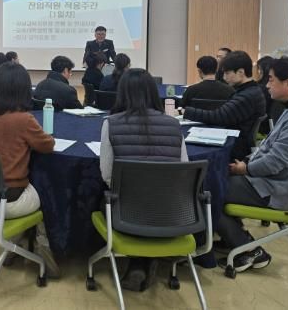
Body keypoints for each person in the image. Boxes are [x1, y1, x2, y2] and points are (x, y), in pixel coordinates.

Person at [216, 57, 288, 274]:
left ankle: (249, 249)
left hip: (275, 188)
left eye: (271, 80)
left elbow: (275, 163)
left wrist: (246, 168)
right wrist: (248, 162)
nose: (267, 85)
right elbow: (269, 148)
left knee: (209, 189)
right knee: (215, 180)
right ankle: (235, 238)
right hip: (273, 181)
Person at [99, 68, 187, 291]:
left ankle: (139, 261)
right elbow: (183, 172)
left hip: (125, 215)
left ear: (122, 93)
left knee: (104, 197)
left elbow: (107, 176)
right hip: (172, 214)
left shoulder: (111, 123)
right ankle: (147, 260)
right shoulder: (173, 124)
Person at [0, 62, 59, 276]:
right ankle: (44, 257)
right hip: (10, 200)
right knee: (47, 193)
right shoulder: (23, 119)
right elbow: (48, 145)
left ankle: (16, 245)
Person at [182, 51, 266, 161]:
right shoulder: (250, 90)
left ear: (241, 72)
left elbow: (218, 117)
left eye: (227, 73)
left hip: (234, 149)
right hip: (237, 141)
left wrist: (186, 112)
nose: (224, 78)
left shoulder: (247, 96)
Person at [255, 55, 283, 134]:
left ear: (262, 70)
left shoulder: (261, 89)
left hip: (261, 128)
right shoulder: (277, 87)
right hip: (271, 127)